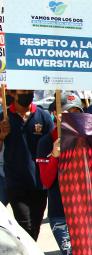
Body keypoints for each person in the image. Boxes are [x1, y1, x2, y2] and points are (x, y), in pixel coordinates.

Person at [36, 92, 89, 255]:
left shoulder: (84, 139)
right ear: (55, 114)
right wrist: (55, 157)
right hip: (60, 214)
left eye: (76, 113)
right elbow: (46, 181)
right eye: (66, 113)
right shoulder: (46, 142)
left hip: (84, 211)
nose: (71, 117)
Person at [0, 90, 54, 240]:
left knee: (35, 227)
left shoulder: (43, 116)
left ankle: (30, 250)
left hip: (39, 182)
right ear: (13, 94)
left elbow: (53, 143)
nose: (26, 94)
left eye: (29, 91)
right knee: (25, 225)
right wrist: (1, 136)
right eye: (22, 91)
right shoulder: (4, 117)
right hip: (15, 182)